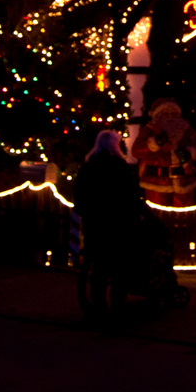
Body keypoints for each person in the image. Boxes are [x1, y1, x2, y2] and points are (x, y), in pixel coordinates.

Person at [75, 129, 143, 326]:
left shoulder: (88, 167)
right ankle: (117, 307)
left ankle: (98, 308)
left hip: (95, 224)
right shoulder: (120, 167)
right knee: (119, 267)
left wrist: (85, 211)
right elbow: (130, 195)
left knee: (98, 267)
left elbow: (79, 194)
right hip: (117, 224)